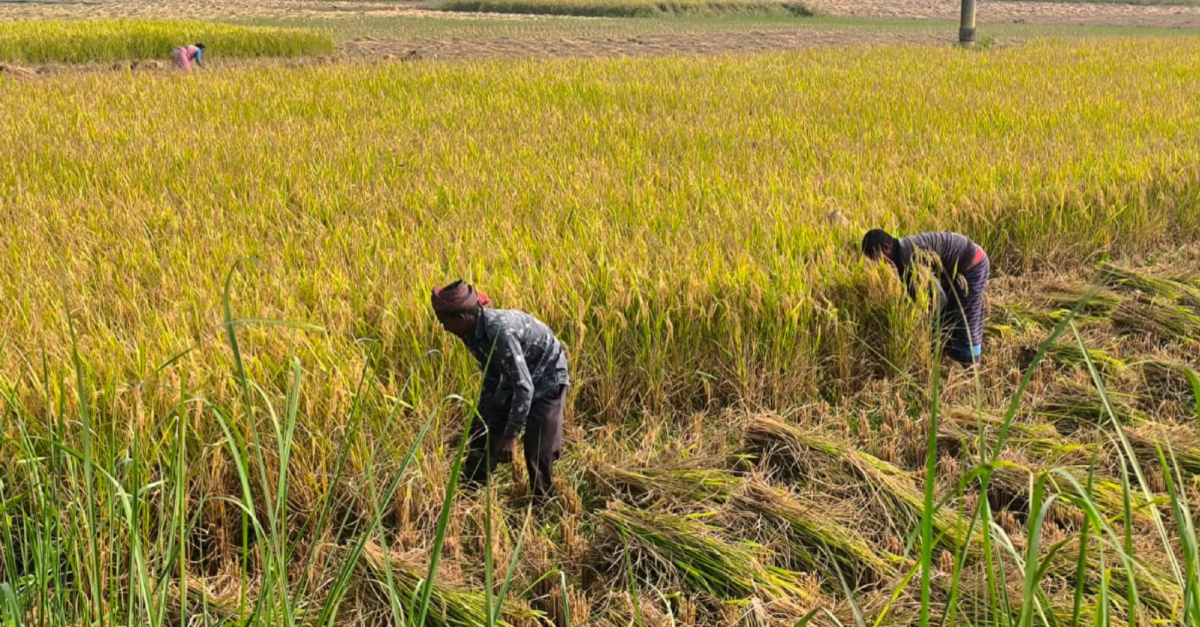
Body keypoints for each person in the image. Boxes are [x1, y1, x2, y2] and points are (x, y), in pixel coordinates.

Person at [431, 280, 570, 499]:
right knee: (484, 431)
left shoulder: (499, 332)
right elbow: (492, 375)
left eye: (443, 322)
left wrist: (510, 435)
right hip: (516, 375)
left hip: (547, 374)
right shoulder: (470, 333)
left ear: (461, 318)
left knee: (537, 448)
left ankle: (543, 503)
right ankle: (470, 493)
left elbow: (524, 387)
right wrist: (482, 415)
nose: (444, 328)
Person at [862, 229, 990, 365]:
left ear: (887, 248)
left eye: (877, 258)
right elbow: (919, 295)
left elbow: (939, 298)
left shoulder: (909, 256)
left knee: (967, 322)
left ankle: (972, 370)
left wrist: (935, 329)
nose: (879, 263)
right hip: (954, 270)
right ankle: (955, 359)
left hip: (973, 264)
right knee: (952, 317)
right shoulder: (901, 255)